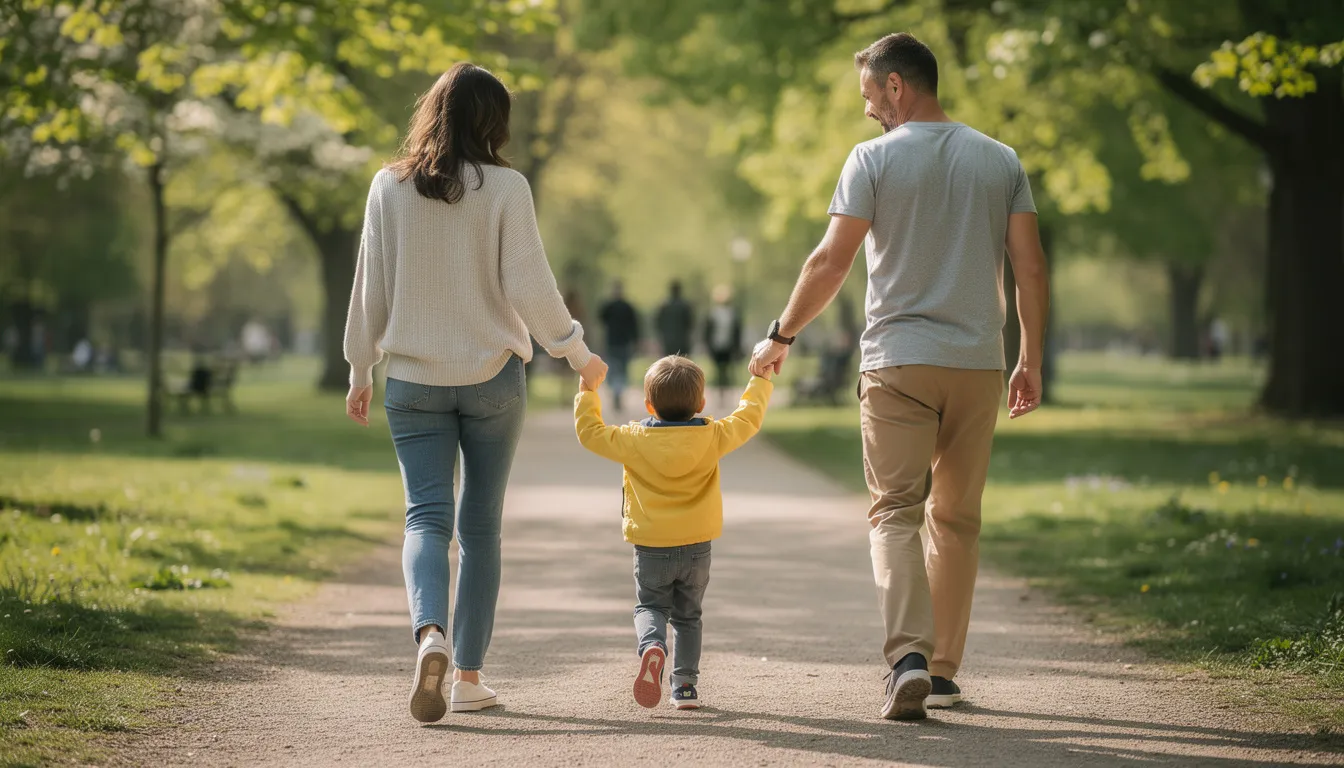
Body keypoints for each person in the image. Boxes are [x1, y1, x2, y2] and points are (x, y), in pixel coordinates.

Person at [748, 33, 1049, 721]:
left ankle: (907, 659)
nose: (866, 112)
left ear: (894, 86)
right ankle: (941, 671)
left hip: (898, 366)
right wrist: (1029, 357)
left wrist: (781, 335)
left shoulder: (872, 160)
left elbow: (831, 261)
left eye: (868, 96)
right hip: (977, 363)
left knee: (894, 513)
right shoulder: (1000, 160)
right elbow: (1030, 268)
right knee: (958, 519)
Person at [342, 62, 608, 724]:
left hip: (411, 379)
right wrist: (576, 352)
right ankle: (466, 678)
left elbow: (369, 285)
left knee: (424, 518)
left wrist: (359, 369)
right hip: (492, 377)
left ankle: (428, 632)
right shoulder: (506, 188)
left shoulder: (387, 187)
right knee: (480, 526)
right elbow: (529, 284)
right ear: (494, 123)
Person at [574, 355, 772, 710]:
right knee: (688, 616)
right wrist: (760, 381)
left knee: (651, 605)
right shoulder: (712, 435)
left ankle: (652, 645)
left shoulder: (634, 438)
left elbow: (590, 433)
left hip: (652, 545)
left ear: (649, 403)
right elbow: (748, 418)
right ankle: (684, 687)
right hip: (697, 546)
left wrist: (588, 391)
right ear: (701, 403)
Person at [598, 281, 640, 411]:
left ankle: (616, 392)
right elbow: (634, 327)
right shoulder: (628, 307)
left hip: (612, 342)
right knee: (622, 370)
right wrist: (635, 342)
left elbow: (601, 322)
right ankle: (619, 393)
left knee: (613, 369)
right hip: (624, 343)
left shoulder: (608, 307)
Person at [703, 285, 743, 405]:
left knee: (722, 371)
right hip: (720, 346)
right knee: (722, 371)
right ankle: (722, 395)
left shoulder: (717, 313)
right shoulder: (727, 314)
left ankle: (724, 395)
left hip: (724, 346)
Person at [654, 280, 695, 356]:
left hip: (668, 339)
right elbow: (690, 323)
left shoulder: (664, 305)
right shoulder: (685, 305)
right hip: (682, 339)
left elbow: (658, 323)